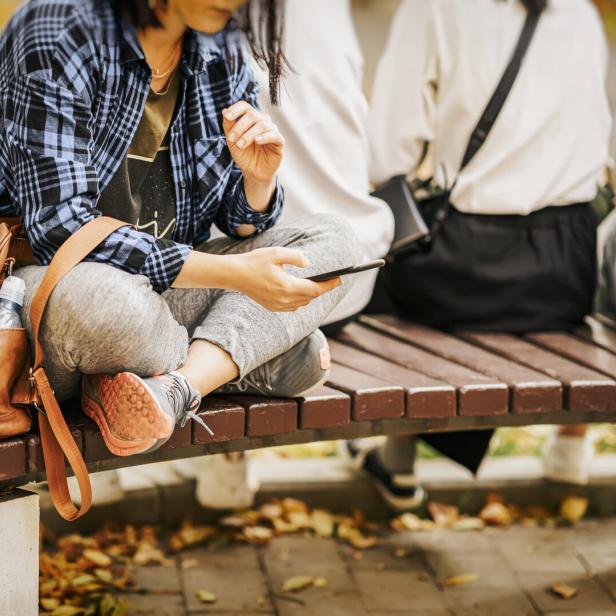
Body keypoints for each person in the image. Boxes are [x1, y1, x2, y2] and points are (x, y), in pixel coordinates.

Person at [0, 0, 359, 460]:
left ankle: (175, 385)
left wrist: (258, 180)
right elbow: (62, 230)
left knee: (337, 242)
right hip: (50, 285)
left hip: (163, 294)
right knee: (110, 307)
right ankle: (234, 354)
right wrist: (236, 278)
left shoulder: (218, 46)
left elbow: (237, 221)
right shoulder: (58, 30)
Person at [363, 0, 612, 508]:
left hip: (466, 272)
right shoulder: (579, 12)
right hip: (569, 270)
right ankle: (570, 448)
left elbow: (387, 155)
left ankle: (399, 460)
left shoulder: (433, 9)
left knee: (385, 269)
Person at [189, 0, 395, 510]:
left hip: (276, 275)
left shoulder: (207, 22)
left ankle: (228, 460)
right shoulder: (328, 10)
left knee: (225, 247)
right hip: (359, 270)